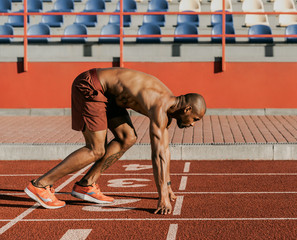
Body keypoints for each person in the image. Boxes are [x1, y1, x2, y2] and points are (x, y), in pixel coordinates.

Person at [24, 67, 206, 215]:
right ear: (187, 109)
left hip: (109, 96)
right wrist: (162, 197)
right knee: (95, 150)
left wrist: (167, 186)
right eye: (195, 119)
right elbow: (157, 154)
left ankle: (86, 185)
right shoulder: (160, 105)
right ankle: (40, 185)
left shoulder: (168, 108)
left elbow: (164, 150)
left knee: (128, 138)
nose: (193, 124)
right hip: (92, 86)